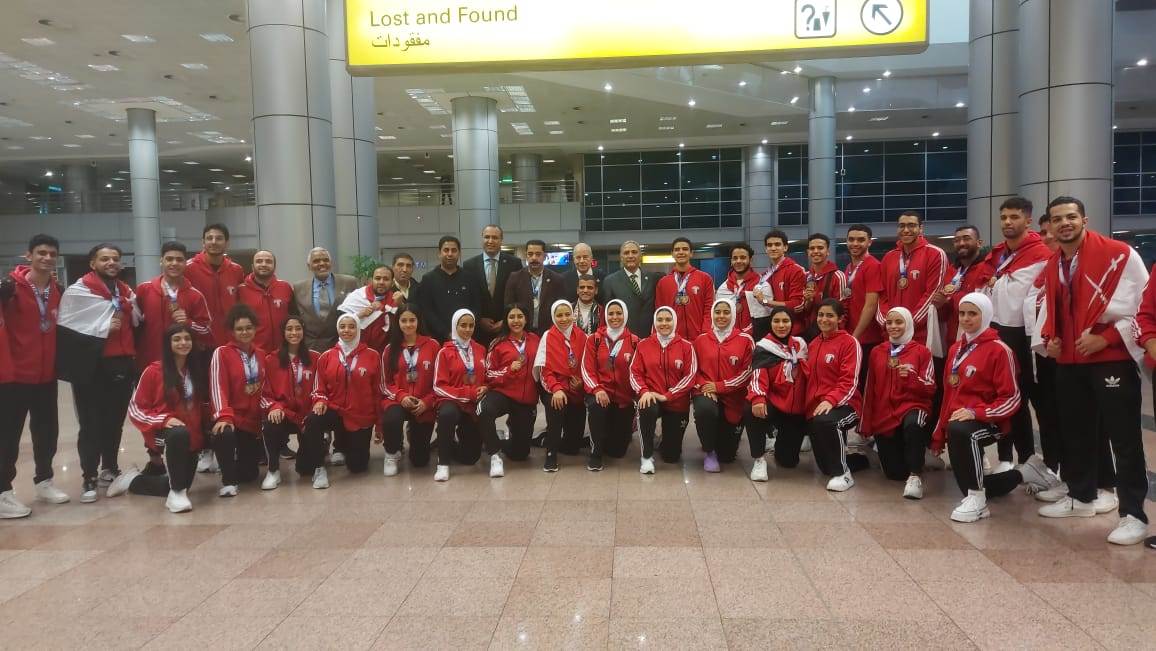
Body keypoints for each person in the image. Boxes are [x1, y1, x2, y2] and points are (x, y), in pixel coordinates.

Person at [1032, 197, 1149, 545]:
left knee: (1124, 438)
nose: (1064, 223)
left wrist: (1107, 338)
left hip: (1110, 358)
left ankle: (1134, 514)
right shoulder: (1054, 263)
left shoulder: (1120, 254)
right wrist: (1051, 339)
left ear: (1085, 219)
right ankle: (1082, 496)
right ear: (1050, 226)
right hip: (1070, 361)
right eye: (1057, 219)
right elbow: (1055, 310)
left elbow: (1142, 307)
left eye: (1071, 217)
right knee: (1076, 433)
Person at [932, 293, 1023, 523]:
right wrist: (939, 433)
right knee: (966, 480)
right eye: (962, 313)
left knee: (962, 431)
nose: (966, 318)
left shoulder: (1000, 350)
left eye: (973, 314)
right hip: (959, 421)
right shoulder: (955, 349)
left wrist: (977, 412)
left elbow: (1011, 398)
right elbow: (949, 396)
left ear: (986, 315)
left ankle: (978, 501)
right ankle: (1021, 475)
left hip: (992, 421)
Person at [0, 234, 70, 515]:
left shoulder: (58, 290)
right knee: (7, 436)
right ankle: (3, 492)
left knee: (47, 432)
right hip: (14, 377)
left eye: (52, 254)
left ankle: (44, 480)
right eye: (41, 253)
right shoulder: (9, 288)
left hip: (46, 376)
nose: (47, 258)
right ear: (28, 256)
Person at [984, 197, 1052, 472]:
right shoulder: (999, 254)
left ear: (1028, 220)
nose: (1007, 222)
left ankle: (1050, 464)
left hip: (1029, 337)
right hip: (1000, 332)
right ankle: (1016, 459)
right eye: (1004, 217)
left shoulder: (1041, 254)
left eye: (1014, 217)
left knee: (1040, 403)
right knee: (1009, 398)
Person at [109, 323, 207, 513]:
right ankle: (175, 495)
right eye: (177, 339)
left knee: (181, 484)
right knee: (178, 481)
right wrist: (163, 420)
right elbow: (135, 409)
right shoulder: (153, 371)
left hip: (190, 436)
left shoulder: (195, 371)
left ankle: (132, 480)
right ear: (167, 344)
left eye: (187, 339)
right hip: (164, 433)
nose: (183, 343)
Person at [859, 308, 936, 499]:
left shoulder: (922, 351)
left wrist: (912, 378)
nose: (893, 326)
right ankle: (908, 458)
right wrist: (865, 423)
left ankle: (915, 475)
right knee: (894, 474)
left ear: (908, 324)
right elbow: (870, 388)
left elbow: (930, 387)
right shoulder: (877, 351)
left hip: (913, 406)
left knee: (913, 425)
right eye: (889, 322)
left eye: (899, 322)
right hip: (885, 413)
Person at [305, 313, 381, 483]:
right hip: (335, 410)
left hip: (360, 416)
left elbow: (377, 392)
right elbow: (318, 388)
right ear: (337, 329)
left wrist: (379, 425)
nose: (346, 330)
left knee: (357, 467)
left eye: (351, 326)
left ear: (358, 329)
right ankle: (319, 467)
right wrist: (320, 401)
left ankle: (343, 446)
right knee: (313, 419)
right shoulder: (327, 356)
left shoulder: (372, 356)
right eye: (342, 326)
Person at [800, 299, 863, 492]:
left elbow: (849, 380)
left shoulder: (849, 343)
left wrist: (831, 399)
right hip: (817, 409)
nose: (824, 319)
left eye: (830, 315)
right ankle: (858, 461)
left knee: (827, 421)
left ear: (840, 319)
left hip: (847, 404)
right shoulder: (813, 344)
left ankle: (844, 474)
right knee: (826, 468)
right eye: (821, 315)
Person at [208, 304, 267, 496]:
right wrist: (224, 415)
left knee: (249, 475)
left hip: (252, 422)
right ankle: (228, 481)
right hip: (231, 418)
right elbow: (218, 387)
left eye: (249, 328)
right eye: (239, 329)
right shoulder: (222, 353)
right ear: (232, 331)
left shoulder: (261, 355)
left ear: (255, 329)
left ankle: (229, 461)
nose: (245, 332)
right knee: (223, 433)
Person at [744, 306, 808, 482]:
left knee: (788, 462)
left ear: (792, 323)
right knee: (751, 409)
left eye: (785, 321)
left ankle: (780, 442)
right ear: (770, 323)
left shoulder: (801, 346)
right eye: (776, 321)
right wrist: (758, 398)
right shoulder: (764, 347)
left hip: (796, 408)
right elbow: (758, 377)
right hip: (774, 402)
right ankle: (759, 458)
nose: (781, 325)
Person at [629, 306, 697, 472]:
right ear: (654, 322)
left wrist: (668, 395)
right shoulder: (644, 344)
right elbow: (634, 372)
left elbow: (690, 376)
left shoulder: (687, 346)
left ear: (675, 321)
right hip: (651, 396)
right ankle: (646, 457)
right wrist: (644, 391)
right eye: (660, 320)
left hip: (676, 402)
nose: (664, 323)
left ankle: (663, 440)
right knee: (646, 407)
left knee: (671, 457)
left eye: (668, 319)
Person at [258, 316, 322, 490]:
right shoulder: (271, 360)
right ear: (283, 333)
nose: (294, 333)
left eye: (298, 328)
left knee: (306, 469)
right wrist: (274, 407)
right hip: (284, 414)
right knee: (270, 424)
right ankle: (273, 470)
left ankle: (313, 458)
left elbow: (321, 387)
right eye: (289, 329)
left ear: (304, 331)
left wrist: (317, 405)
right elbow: (263, 393)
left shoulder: (315, 357)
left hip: (307, 416)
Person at [692, 298, 753, 472]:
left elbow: (748, 372)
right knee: (705, 409)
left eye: (726, 312)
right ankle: (709, 452)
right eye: (717, 312)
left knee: (727, 456)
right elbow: (693, 369)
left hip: (734, 396)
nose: (721, 316)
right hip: (706, 392)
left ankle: (721, 443)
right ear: (712, 314)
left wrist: (719, 386)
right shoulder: (701, 339)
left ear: (733, 314)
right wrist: (704, 385)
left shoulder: (745, 340)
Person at [479, 304, 540, 475]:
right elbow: (488, 373)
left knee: (520, 454)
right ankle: (494, 453)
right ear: (506, 320)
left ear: (526, 319)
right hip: (502, 393)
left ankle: (503, 436)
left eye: (520, 316)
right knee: (484, 410)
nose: (516, 321)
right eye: (512, 317)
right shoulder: (498, 343)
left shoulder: (536, 340)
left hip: (525, 399)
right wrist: (508, 370)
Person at [877, 211, 949, 357]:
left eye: (911, 225)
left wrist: (909, 324)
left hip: (920, 334)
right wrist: (887, 322)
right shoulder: (889, 257)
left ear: (921, 228)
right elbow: (882, 295)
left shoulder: (935, 254)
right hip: (891, 334)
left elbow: (932, 295)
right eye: (902, 226)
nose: (906, 230)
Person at [379, 307, 440, 475]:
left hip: (423, 402)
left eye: (412, 320)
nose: (408, 325)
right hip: (397, 400)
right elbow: (385, 383)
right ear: (397, 323)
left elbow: (439, 380)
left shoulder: (433, 345)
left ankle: (413, 432)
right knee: (392, 417)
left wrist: (427, 402)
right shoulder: (390, 349)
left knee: (420, 461)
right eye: (403, 320)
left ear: (419, 321)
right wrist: (401, 396)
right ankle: (392, 453)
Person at [134, 241, 213, 371]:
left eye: (179, 260)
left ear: (185, 263)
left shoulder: (195, 295)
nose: (174, 263)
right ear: (161, 261)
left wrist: (188, 322)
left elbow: (207, 331)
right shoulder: (144, 290)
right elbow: (134, 325)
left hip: (182, 365)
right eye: (169, 259)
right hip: (148, 363)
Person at [581, 299, 639, 470]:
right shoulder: (595, 339)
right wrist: (597, 389)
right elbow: (586, 369)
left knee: (617, 451)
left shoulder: (634, 341)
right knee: (596, 407)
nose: (615, 317)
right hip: (600, 394)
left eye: (618, 313)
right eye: (611, 313)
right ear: (605, 316)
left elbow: (639, 371)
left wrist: (635, 397)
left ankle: (602, 436)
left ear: (625, 315)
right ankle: (595, 453)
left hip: (623, 400)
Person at [431, 309, 488, 481]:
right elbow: (438, 387)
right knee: (447, 414)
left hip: (472, 405)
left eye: (471, 325)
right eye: (463, 325)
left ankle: (447, 442)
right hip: (451, 401)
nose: (467, 329)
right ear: (455, 326)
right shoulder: (444, 352)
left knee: (470, 458)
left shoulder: (480, 349)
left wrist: (485, 387)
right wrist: (468, 393)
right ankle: (443, 463)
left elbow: (487, 377)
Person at [534, 299, 588, 471]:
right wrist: (556, 389)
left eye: (567, 314)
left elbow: (587, 365)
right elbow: (544, 371)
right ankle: (551, 453)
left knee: (573, 448)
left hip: (576, 390)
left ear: (573, 315)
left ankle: (546, 439)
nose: (564, 319)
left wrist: (581, 383)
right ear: (553, 316)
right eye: (559, 315)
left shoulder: (582, 336)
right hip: (554, 388)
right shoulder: (547, 336)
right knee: (555, 406)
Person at [185, 223, 245, 348]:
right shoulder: (188, 268)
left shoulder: (236, 270)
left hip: (230, 342)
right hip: (198, 343)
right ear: (203, 242)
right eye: (209, 238)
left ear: (227, 243)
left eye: (219, 238)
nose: (214, 242)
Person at [417, 236, 486, 343]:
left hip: (467, 336)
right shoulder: (428, 279)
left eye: (454, 250)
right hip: (438, 338)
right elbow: (428, 311)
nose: (450, 254)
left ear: (459, 253)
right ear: (439, 253)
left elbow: (476, 307)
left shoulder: (470, 278)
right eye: (446, 250)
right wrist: (446, 333)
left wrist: (466, 329)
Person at [463, 225, 523, 346]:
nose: (490, 241)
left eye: (495, 237)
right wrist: (478, 319)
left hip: (506, 328)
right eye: (487, 237)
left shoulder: (514, 263)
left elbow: (518, 295)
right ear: (482, 239)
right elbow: (467, 297)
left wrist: (505, 320)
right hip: (478, 330)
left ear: (501, 240)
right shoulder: (469, 265)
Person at [292, 247, 360, 353]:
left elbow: (358, 311)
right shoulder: (298, 288)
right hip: (311, 348)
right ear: (309, 266)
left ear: (331, 263)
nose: (322, 263)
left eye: (325, 260)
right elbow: (295, 317)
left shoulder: (349, 283)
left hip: (342, 345)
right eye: (316, 261)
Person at [940, 226, 992, 349]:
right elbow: (946, 313)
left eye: (966, 239)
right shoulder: (951, 270)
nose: (961, 243)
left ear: (979, 243)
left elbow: (984, 304)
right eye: (957, 240)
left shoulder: (988, 268)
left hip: (979, 339)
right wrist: (940, 305)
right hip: (953, 340)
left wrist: (951, 300)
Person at [843, 225, 884, 382]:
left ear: (869, 242)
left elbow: (871, 305)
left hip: (867, 338)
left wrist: (855, 337)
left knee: (863, 383)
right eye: (851, 239)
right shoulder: (849, 267)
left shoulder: (873, 266)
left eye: (861, 240)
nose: (855, 243)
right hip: (852, 335)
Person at [655, 237, 714, 341]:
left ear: (691, 253)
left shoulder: (705, 278)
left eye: (685, 249)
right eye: (677, 249)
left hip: (699, 338)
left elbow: (709, 309)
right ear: (672, 254)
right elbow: (659, 311)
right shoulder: (663, 282)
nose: (681, 252)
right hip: (672, 339)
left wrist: (705, 334)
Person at [751, 229, 806, 340]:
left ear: (785, 247)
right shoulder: (765, 274)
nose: (773, 248)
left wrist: (765, 301)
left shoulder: (796, 270)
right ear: (766, 249)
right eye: (769, 245)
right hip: (773, 330)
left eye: (777, 244)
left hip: (793, 331)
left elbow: (796, 304)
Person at [236, 250, 294, 354]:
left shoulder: (285, 287)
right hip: (253, 352)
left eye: (268, 261)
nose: (264, 264)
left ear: (274, 266)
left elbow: (294, 317)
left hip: (283, 351)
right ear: (252, 266)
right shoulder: (241, 290)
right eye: (259, 261)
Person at [504, 239, 565, 335]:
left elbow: (560, 308)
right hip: (521, 332)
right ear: (526, 256)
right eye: (530, 254)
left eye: (538, 254)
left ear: (544, 256)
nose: (534, 258)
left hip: (548, 332)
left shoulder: (556, 279)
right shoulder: (515, 277)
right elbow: (508, 307)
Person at [602, 240, 659, 336]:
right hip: (623, 338)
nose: (630, 256)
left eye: (634, 252)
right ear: (621, 257)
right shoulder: (610, 281)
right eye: (626, 253)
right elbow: (608, 314)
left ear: (640, 256)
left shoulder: (653, 278)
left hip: (649, 337)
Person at [799, 233, 848, 340]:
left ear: (828, 251)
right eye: (812, 248)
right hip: (810, 333)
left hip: (831, 335)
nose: (816, 251)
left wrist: (837, 338)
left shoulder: (838, 276)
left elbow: (843, 309)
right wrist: (809, 301)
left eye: (820, 248)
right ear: (808, 252)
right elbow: (805, 311)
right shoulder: (806, 276)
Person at [338, 264, 397, 353]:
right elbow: (341, 325)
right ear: (371, 280)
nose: (381, 282)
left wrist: (397, 306)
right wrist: (360, 314)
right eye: (377, 278)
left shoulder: (395, 300)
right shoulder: (357, 296)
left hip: (384, 351)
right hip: (356, 351)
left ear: (392, 283)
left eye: (386, 279)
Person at [715, 244, 760, 334]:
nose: (738, 261)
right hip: (730, 338)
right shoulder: (723, 288)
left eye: (743, 257)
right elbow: (719, 317)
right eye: (735, 258)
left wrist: (765, 301)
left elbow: (766, 316)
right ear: (731, 261)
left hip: (756, 337)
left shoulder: (761, 284)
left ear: (750, 260)